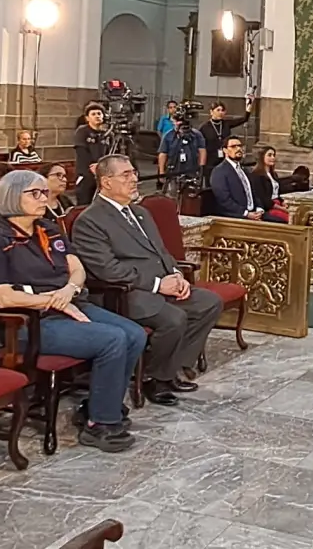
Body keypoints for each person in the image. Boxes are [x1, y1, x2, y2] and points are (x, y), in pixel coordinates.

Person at [0, 170, 147, 452]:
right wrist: (51, 300)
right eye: (36, 193)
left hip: (69, 303)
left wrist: (69, 291)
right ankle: (100, 424)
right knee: (112, 339)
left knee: (134, 334)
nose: (45, 198)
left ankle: (98, 404)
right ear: (12, 197)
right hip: (28, 321)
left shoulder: (48, 228)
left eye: (45, 192)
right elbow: (3, 297)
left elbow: (76, 267)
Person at [69, 155, 223, 405]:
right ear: (106, 182)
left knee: (209, 303)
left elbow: (161, 252)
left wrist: (176, 274)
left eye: (134, 173)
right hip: (123, 292)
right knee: (174, 319)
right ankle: (154, 378)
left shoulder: (140, 213)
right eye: (126, 175)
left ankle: (170, 368)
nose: (134, 179)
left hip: (160, 284)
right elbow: (107, 270)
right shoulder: (90, 221)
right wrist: (157, 284)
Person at [211, 136, 280, 221]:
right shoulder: (219, 171)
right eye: (233, 147)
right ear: (225, 150)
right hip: (235, 216)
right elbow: (224, 200)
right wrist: (246, 213)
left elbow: (254, 193)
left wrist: (259, 209)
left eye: (240, 146)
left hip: (254, 212)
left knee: (283, 222)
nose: (238, 149)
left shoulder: (245, 170)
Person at [157, 108, 206, 192]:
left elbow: (202, 151)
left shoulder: (196, 135)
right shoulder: (168, 135)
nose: (179, 124)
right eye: (177, 121)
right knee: (172, 197)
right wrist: (161, 172)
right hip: (173, 172)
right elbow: (163, 154)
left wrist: (201, 169)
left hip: (192, 171)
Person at [199, 100, 252, 174]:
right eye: (218, 110)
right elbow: (201, 146)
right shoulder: (205, 128)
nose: (220, 112)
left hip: (225, 158)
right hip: (211, 160)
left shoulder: (226, 124)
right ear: (211, 112)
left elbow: (244, 119)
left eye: (222, 110)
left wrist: (248, 109)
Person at [73, 104, 108, 205]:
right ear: (87, 118)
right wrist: (93, 167)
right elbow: (82, 152)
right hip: (86, 173)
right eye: (93, 114)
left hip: (103, 173)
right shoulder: (82, 131)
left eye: (99, 113)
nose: (97, 116)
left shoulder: (107, 133)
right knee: (85, 202)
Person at [250, 145, 288, 223]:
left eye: (274, 155)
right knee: (289, 219)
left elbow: (277, 193)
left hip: (278, 204)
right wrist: (282, 208)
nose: (273, 158)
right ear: (262, 157)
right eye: (269, 155)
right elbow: (263, 198)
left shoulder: (274, 174)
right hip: (269, 207)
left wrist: (283, 202)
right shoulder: (256, 175)